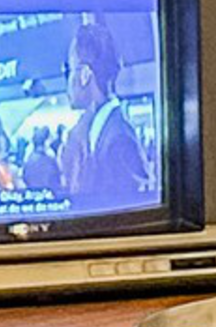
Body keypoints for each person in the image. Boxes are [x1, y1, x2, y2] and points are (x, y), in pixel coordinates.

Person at [62, 13, 156, 208]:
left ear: (85, 75)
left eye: (69, 70)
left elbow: (130, 214)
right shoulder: (90, 132)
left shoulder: (118, 138)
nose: (67, 82)